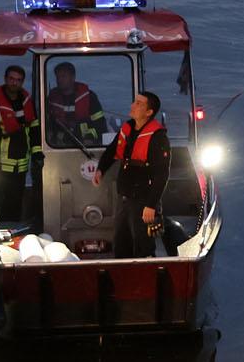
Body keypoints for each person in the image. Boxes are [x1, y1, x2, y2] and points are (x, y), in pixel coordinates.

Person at [85, 90, 184, 257]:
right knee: (121, 242)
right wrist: (101, 169)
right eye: (134, 102)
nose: (132, 105)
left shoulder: (158, 137)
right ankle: (123, 275)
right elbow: (112, 150)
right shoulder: (128, 128)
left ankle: (147, 276)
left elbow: (162, 174)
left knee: (143, 244)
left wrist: (151, 205)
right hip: (124, 196)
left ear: (149, 112)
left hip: (143, 200)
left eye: (139, 103)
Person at [0, 64, 39, 223]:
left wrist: (37, 152)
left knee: (16, 201)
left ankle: (15, 231)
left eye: (18, 80)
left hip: (21, 165)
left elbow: (34, 129)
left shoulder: (27, 101)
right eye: (11, 79)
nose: (14, 83)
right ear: (5, 79)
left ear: (22, 82)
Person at [46, 60, 106, 147]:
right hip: (58, 147)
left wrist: (89, 137)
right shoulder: (52, 99)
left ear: (73, 77)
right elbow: (47, 125)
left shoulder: (90, 97)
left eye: (63, 76)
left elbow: (100, 124)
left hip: (86, 146)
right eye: (58, 77)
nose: (59, 80)